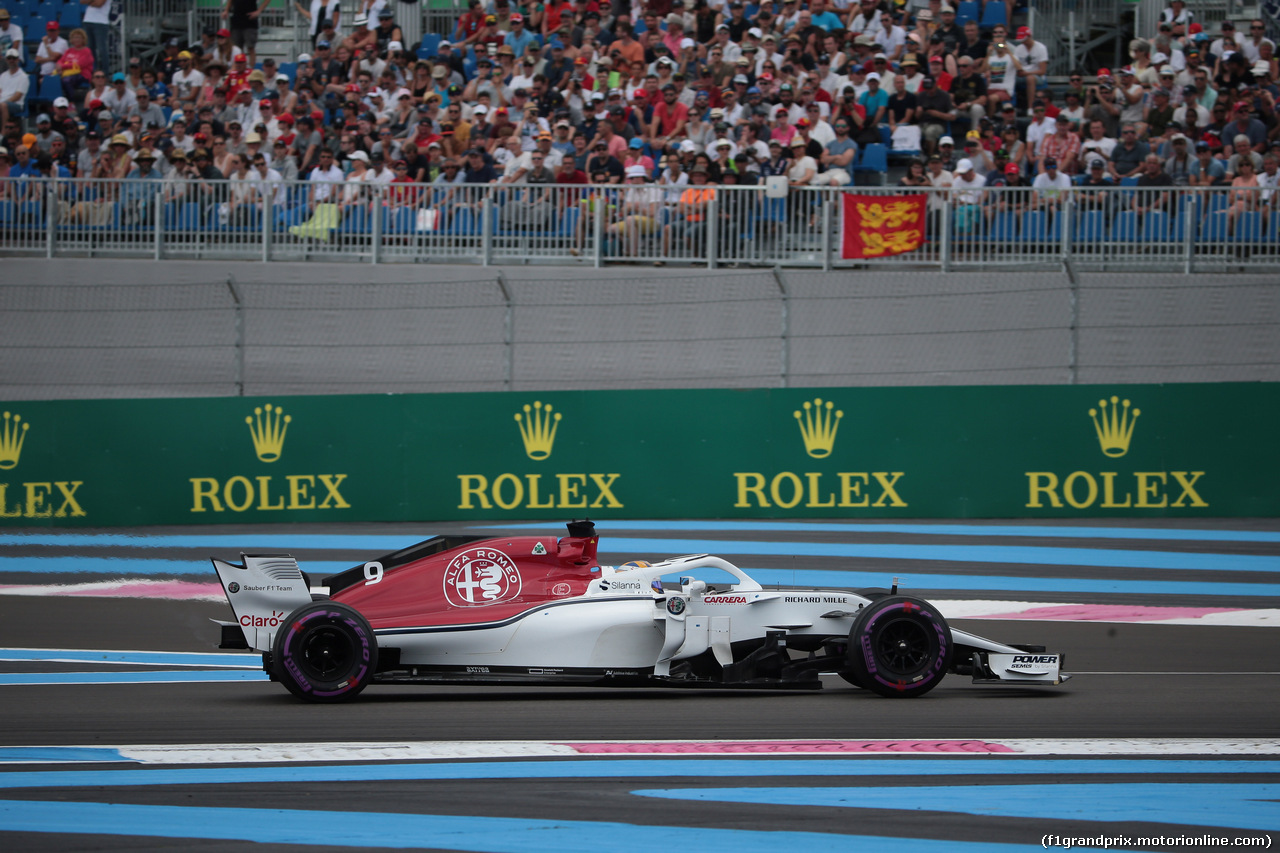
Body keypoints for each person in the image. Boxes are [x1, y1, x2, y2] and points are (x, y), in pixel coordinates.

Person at [81, 0, 114, 76]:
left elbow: (99, 3)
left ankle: (105, 74)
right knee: (90, 50)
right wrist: (92, 2)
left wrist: (89, 2)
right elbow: (82, 1)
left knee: (102, 49)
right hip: (87, 20)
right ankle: (92, 73)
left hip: (101, 22)